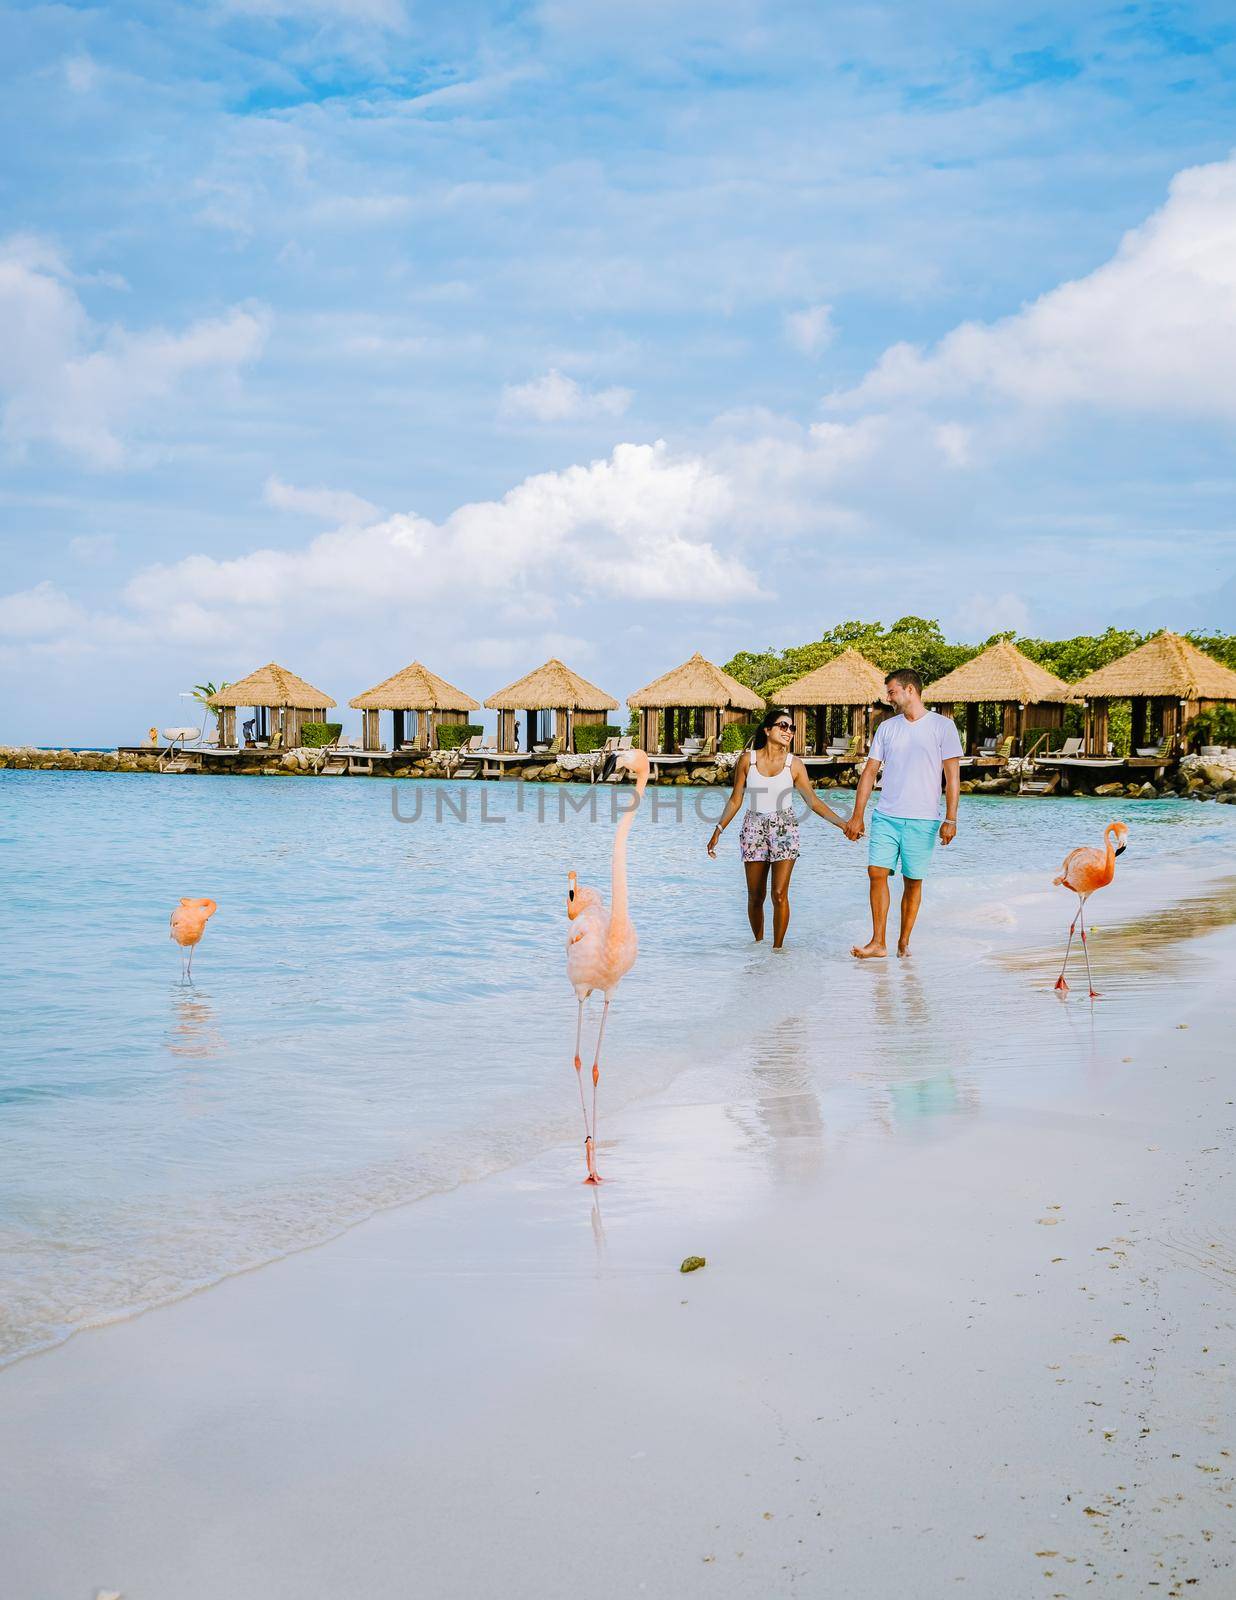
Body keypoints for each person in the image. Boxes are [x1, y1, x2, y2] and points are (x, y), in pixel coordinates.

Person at [707, 706, 854, 949]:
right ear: (767, 730)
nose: (788, 731)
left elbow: (813, 801)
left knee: (778, 894)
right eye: (783, 726)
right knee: (756, 896)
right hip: (753, 827)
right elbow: (736, 799)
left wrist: (843, 825)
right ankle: (758, 947)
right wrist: (718, 830)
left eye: (792, 728)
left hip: (784, 828)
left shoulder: (794, 765)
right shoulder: (748, 760)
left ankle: (777, 952)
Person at [845, 668, 962, 959]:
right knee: (876, 873)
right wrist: (857, 815)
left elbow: (952, 776)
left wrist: (951, 818)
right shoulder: (887, 728)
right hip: (886, 815)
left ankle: (903, 942)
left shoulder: (942, 727)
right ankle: (878, 942)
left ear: (910, 690)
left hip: (923, 819)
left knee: (913, 880)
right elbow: (869, 773)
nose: (889, 697)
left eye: (892, 691)